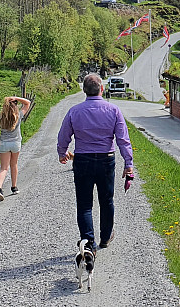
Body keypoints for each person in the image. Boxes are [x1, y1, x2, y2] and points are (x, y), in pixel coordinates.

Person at [57, 74, 134, 251]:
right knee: (106, 201)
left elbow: (63, 136)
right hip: (106, 160)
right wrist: (128, 163)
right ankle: (105, 238)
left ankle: (88, 244)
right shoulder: (113, 110)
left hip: (82, 160)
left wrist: (62, 153)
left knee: (84, 204)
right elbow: (123, 139)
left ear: (84, 90)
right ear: (102, 89)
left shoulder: (74, 111)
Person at [0, 96, 32, 201]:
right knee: (13, 165)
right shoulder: (18, 115)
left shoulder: (0, 118)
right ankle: (14, 187)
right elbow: (27, 103)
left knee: (4, 168)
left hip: (4, 143)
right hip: (15, 143)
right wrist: (16, 98)